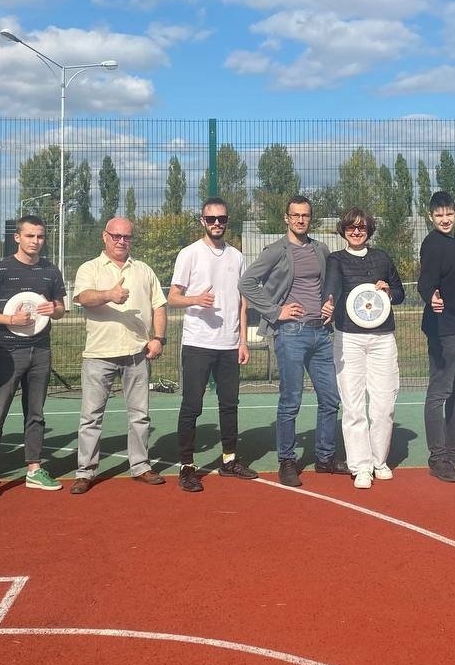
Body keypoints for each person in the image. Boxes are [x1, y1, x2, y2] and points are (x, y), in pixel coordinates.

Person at [240, 195, 347, 488]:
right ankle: (287, 460)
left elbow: (328, 286)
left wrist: (330, 304)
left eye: (305, 215)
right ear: (286, 218)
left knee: (330, 399)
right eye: (295, 215)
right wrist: (277, 311)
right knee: (291, 400)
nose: (301, 220)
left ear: (310, 218)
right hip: (291, 334)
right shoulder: (275, 251)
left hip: (322, 333)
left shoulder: (320, 249)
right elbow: (247, 282)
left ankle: (325, 458)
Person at [0, 215, 66, 505]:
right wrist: (11, 318)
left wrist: (55, 309)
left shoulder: (51, 271)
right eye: (30, 236)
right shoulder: (0, 270)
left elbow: (61, 308)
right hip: (6, 352)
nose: (35, 241)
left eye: (40, 236)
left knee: (35, 413)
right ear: (17, 237)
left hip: (41, 350)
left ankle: (34, 469)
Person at [69, 217, 167, 493]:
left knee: (139, 415)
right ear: (105, 237)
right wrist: (109, 294)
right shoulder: (90, 268)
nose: (121, 241)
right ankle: (85, 471)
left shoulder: (144, 270)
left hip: (137, 353)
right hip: (99, 355)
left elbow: (159, 305)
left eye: (127, 237)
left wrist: (158, 338)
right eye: (116, 236)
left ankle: (140, 466)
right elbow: (83, 298)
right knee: (91, 416)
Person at [168, 198, 258, 493]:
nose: (217, 223)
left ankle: (229, 461)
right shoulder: (189, 254)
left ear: (227, 220)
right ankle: (186, 466)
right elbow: (172, 297)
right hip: (197, 343)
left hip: (229, 345)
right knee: (192, 406)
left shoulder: (237, 257)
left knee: (229, 405)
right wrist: (195, 300)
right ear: (202, 221)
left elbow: (243, 304)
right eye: (211, 219)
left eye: (221, 218)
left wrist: (242, 341)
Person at [321, 208, 405, 490]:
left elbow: (400, 293)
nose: (356, 232)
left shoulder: (382, 257)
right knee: (353, 405)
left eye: (361, 228)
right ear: (343, 230)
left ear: (369, 230)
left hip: (382, 339)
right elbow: (331, 286)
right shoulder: (336, 259)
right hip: (349, 339)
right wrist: (329, 302)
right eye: (351, 228)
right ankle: (360, 466)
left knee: (383, 405)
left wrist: (388, 290)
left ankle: (379, 461)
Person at [417, 191, 455, 483]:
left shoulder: (454, 242)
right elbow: (425, 281)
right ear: (431, 217)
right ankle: (438, 457)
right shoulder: (433, 244)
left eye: (449, 213)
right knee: (440, 391)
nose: (444, 219)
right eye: (439, 214)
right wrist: (431, 297)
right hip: (444, 330)